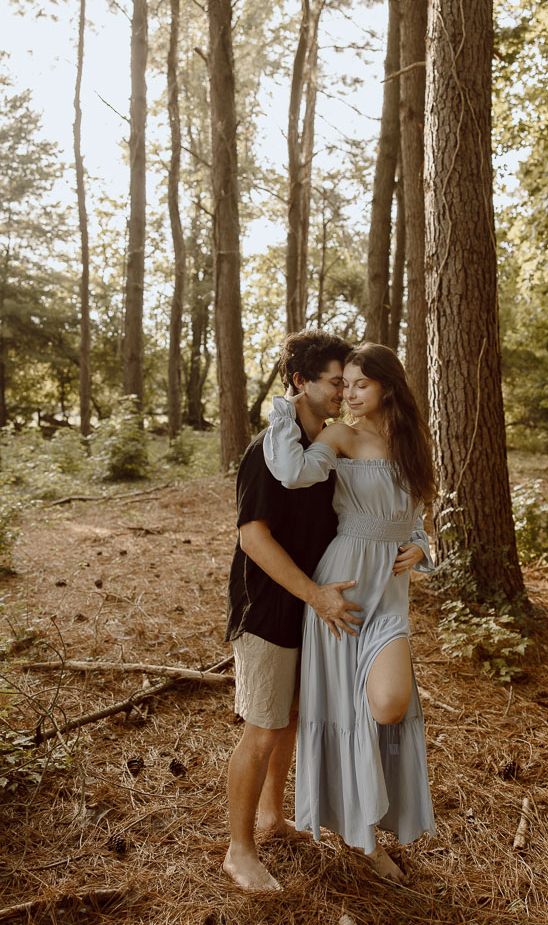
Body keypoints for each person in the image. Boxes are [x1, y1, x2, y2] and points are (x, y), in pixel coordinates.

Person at [263, 342, 437, 882]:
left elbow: (417, 515)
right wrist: (284, 410)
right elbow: (293, 473)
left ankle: (367, 824)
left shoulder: (412, 441)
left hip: (389, 592)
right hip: (340, 587)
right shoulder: (339, 436)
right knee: (347, 712)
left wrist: (423, 548)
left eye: (360, 384)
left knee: (387, 705)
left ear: (387, 386)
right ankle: (365, 841)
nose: (349, 393)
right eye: (345, 384)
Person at [223, 330, 364, 893]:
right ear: (300, 383)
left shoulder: (329, 448)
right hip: (269, 605)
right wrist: (313, 593)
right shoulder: (267, 451)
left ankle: (272, 817)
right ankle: (239, 852)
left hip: (313, 602)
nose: (343, 393)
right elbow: (252, 537)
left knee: (289, 720)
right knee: (261, 728)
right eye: (335, 382)